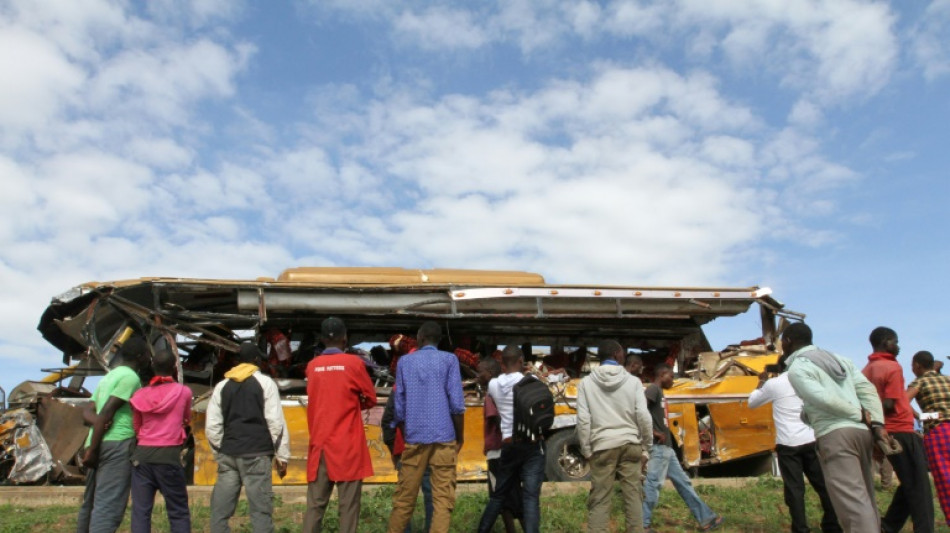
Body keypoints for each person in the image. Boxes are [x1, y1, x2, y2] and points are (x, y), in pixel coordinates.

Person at [783, 322, 886, 533]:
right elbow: (867, 389)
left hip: (836, 435)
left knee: (852, 504)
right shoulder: (840, 360)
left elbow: (821, 398)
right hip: (862, 432)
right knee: (866, 497)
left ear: (787, 341)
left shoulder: (798, 368)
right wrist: (876, 423)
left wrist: (855, 413)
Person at [387, 322, 466, 533]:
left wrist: (407, 433)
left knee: (404, 499)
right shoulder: (450, 360)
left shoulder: (405, 362)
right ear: (438, 340)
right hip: (444, 438)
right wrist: (460, 437)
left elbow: (399, 406)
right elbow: (457, 405)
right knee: (442, 501)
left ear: (420, 338)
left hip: (414, 439)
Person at [748, 357, 841, 533]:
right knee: (823, 485)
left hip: (788, 444)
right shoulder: (806, 381)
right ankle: (832, 525)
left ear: (779, 368)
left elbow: (752, 402)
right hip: (810, 439)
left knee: (795, 490)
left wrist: (761, 381)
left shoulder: (773, 384)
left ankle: (800, 528)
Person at [303, 318, 378, 532]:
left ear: (321, 339)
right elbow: (370, 398)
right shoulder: (354, 364)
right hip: (348, 446)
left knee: (315, 506)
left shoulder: (312, 366)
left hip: (320, 445)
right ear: (345, 338)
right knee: (348, 506)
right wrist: (353, 404)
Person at [206, 341, 290, 533]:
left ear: (237, 361)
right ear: (256, 360)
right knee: (260, 512)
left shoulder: (222, 385)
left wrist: (221, 450)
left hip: (229, 455)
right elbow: (276, 423)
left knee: (220, 513)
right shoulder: (266, 383)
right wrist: (282, 455)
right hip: (257, 454)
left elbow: (212, 426)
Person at [861, 327, 935, 533]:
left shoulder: (868, 369)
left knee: (910, 482)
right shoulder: (892, 367)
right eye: (896, 341)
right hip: (901, 430)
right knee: (920, 488)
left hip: (885, 431)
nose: (898, 346)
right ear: (886, 342)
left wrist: (874, 428)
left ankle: (889, 526)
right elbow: (890, 403)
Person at [576, 340, 653, 533]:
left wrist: (586, 450)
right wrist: (646, 447)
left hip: (602, 445)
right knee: (633, 497)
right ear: (618, 355)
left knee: (600, 499)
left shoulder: (586, 384)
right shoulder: (633, 382)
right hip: (630, 443)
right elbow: (643, 416)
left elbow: (583, 420)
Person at [77, 336, 150, 533]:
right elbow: (107, 412)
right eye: (148, 355)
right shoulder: (130, 378)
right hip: (117, 444)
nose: (149, 359)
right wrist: (93, 448)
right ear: (140, 357)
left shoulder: (109, 376)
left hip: (97, 440)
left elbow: (86, 412)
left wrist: (97, 425)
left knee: (90, 503)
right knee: (108, 505)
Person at [641, 363, 723, 532]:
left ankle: (706, 519)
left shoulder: (660, 392)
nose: (673, 380)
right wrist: (654, 432)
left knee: (684, 483)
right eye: (671, 376)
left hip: (667, 449)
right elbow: (640, 411)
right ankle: (642, 524)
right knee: (653, 484)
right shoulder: (653, 390)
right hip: (659, 447)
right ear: (662, 375)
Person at [477, 345, 548, 533]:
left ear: (501, 363)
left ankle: (482, 530)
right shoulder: (530, 380)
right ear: (520, 361)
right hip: (531, 445)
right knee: (530, 497)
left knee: (498, 495)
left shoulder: (493, 386)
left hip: (508, 445)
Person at [129, 348, 193, 533]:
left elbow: (137, 427)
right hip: (169, 455)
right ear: (174, 367)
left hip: (142, 456)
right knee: (178, 511)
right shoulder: (184, 392)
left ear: (152, 366)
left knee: (141, 511)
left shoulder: (139, 395)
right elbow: (186, 419)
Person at [906, 350, 950, 527]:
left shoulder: (919, 381)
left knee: (945, 480)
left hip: (938, 433)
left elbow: (902, 401)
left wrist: (921, 417)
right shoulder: (947, 379)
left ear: (917, 365)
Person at [477, 357, 521, 533]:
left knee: (498, 496)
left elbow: (496, 419)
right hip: (509, 449)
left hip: (497, 450)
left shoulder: (490, 395)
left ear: (489, 373)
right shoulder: (507, 391)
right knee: (512, 494)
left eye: (480, 372)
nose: (477, 376)